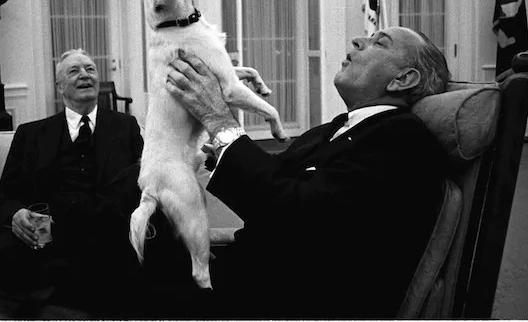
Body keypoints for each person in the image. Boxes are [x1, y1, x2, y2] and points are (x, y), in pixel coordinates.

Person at [165, 26, 451, 319]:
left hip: (277, 300)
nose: (357, 40)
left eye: (380, 43)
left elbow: (297, 213)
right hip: (238, 277)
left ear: (402, 79)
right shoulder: (335, 128)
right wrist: (218, 150)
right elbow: (276, 180)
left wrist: (218, 119)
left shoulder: (403, 138)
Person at [0, 49, 190, 318]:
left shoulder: (126, 126)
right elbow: (2, 197)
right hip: (48, 235)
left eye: (90, 69)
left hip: (108, 234)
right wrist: (16, 214)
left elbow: (148, 183)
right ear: (60, 87)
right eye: (74, 71)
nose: (85, 75)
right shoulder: (31, 134)